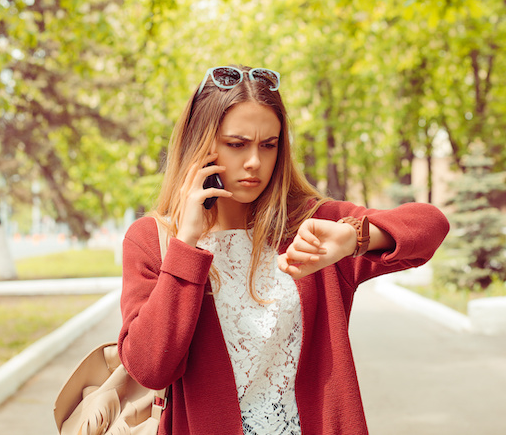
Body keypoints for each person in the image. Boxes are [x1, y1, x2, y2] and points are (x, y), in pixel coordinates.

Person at [118, 65, 449, 435]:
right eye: (237, 144)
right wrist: (186, 244)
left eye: (268, 145)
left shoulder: (311, 226)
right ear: (202, 144)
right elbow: (149, 367)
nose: (254, 162)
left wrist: (354, 238)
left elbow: (431, 225)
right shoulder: (153, 240)